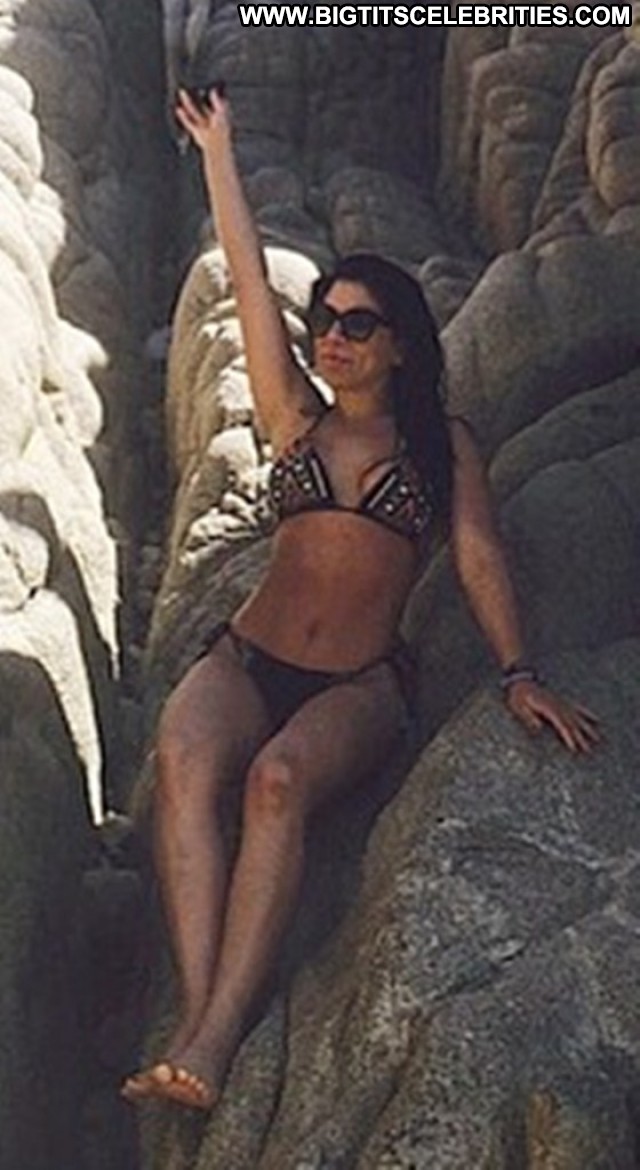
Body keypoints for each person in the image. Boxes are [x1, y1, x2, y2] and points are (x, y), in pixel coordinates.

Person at [122, 87, 601, 1111]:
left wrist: (517, 672)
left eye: (356, 323)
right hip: (244, 657)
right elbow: (248, 277)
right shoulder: (296, 418)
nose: (331, 337)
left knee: (277, 784)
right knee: (184, 758)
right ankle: (200, 1017)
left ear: (399, 344)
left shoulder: (439, 443)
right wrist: (218, 153)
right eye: (325, 321)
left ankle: (213, 1036)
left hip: (357, 683)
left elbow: (478, 555)